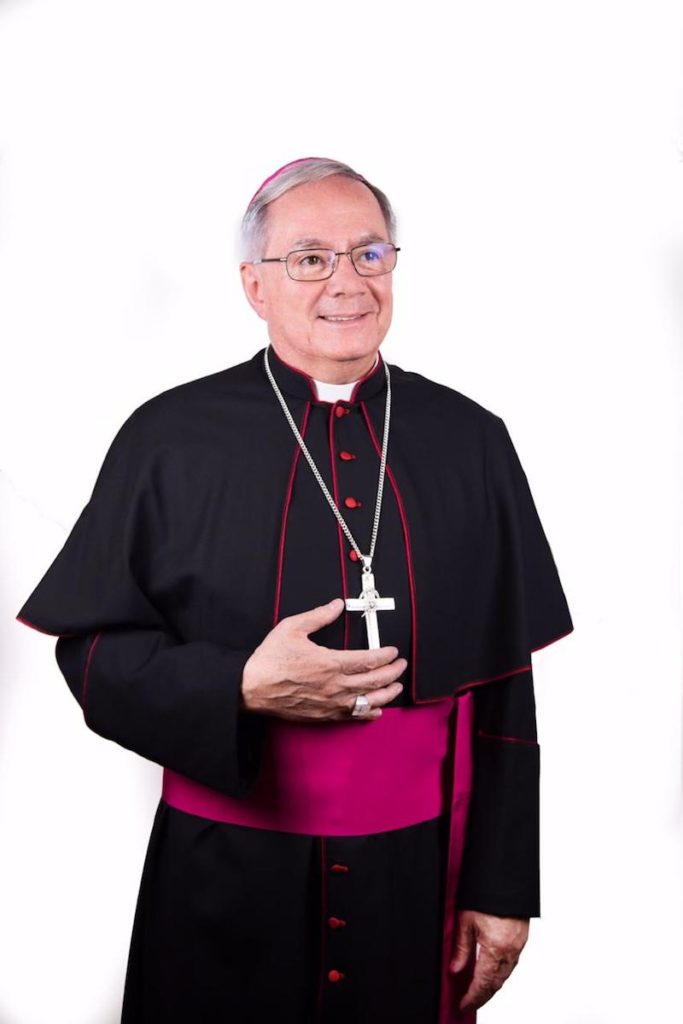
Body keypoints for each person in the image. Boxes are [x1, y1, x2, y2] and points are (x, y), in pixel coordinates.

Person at [16, 157, 574, 1023]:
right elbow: (90, 655)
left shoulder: (470, 441)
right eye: (309, 257)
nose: (345, 281)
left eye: (369, 254)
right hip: (225, 876)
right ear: (254, 285)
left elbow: (504, 690)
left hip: (417, 876)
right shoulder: (169, 438)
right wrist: (236, 685)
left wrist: (503, 889)